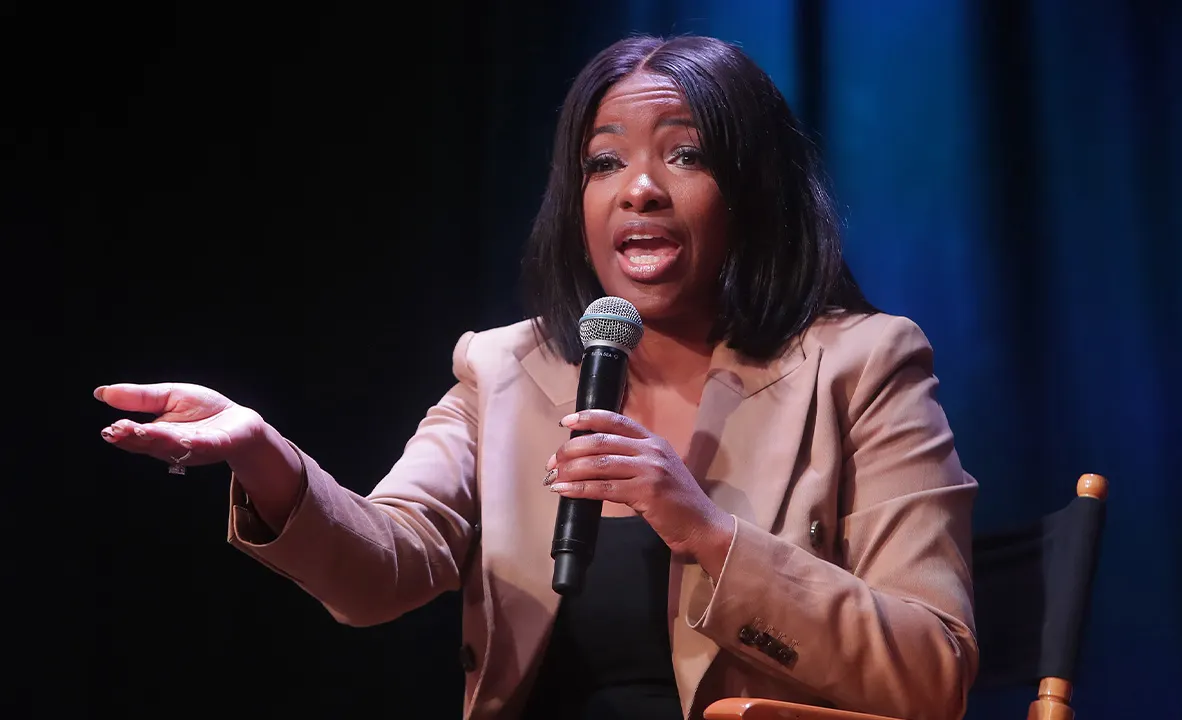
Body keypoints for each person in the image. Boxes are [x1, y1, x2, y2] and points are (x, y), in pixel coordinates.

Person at [94, 34, 978, 720]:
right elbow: (381, 568)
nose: (639, 189)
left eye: (686, 154)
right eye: (605, 162)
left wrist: (707, 533)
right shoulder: (505, 370)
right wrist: (263, 455)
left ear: (753, 192)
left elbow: (934, 671)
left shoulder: (862, 365)